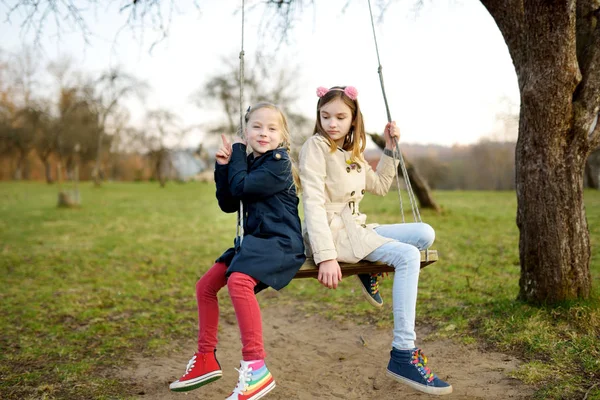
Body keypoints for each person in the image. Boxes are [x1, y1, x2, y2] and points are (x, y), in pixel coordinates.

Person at [298, 85, 452, 396]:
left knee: (424, 233)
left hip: (356, 229)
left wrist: (391, 148)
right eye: (325, 116)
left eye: (341, 117)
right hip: (333, 235)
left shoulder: (350, 153)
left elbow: (381, 185)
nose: (332, 123)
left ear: (354, 119)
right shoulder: (315, 147)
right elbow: (312, 203)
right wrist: (326, 256)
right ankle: (403, 353)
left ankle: (370, 269)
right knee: (407, 256)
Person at [170, 102, 306, 400]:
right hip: (256, 242)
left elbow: (242, 187)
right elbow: (230, 202)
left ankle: (256, 367)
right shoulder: (251, 162)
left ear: (282, 136)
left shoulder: (278, 162)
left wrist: (238, 156)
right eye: (256, 126)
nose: (263, 133)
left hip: (281, 242)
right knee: (205, 286)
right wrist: (223, 166)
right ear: (245, 130)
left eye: (272, 128)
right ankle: (206, 358)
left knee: (238, 281)